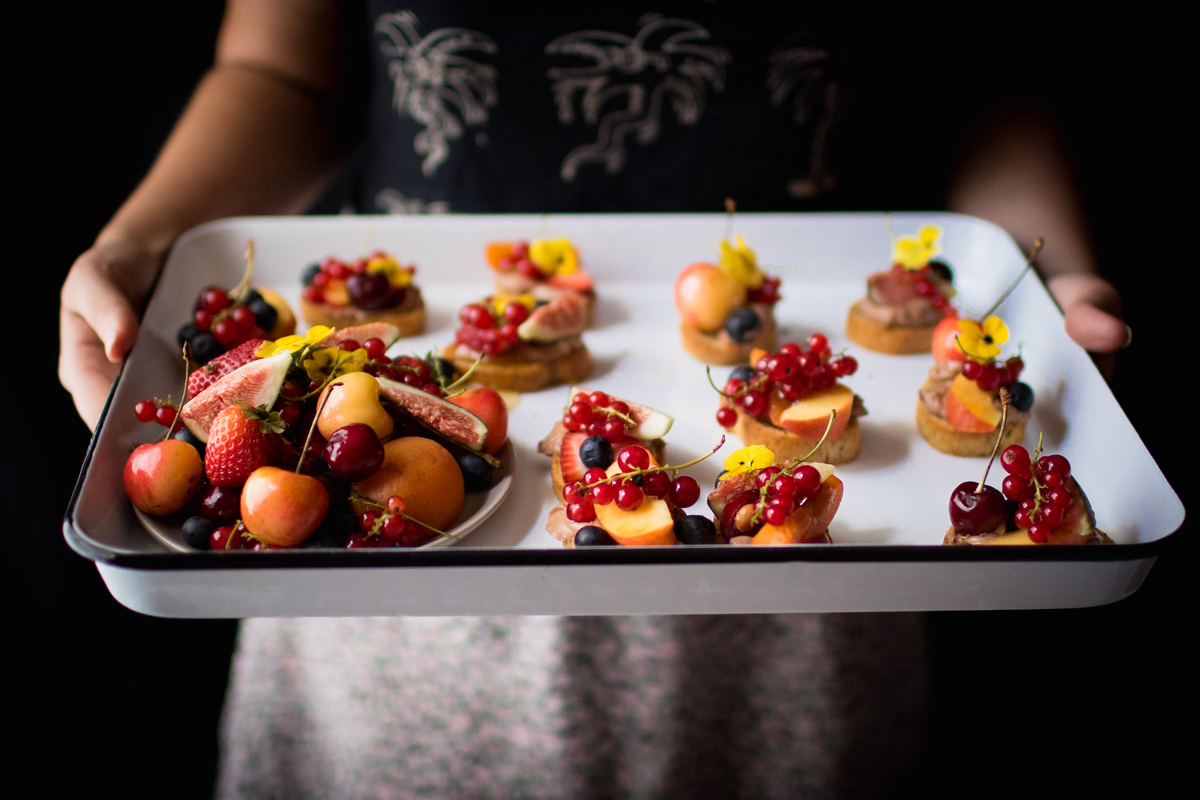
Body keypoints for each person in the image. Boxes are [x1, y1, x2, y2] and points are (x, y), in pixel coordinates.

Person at [58, 2, 1129, 797]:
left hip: (799, 594)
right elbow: (281, 67)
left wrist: (1045, 283)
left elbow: (989, 64)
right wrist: (143, 242)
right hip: (389, 522)